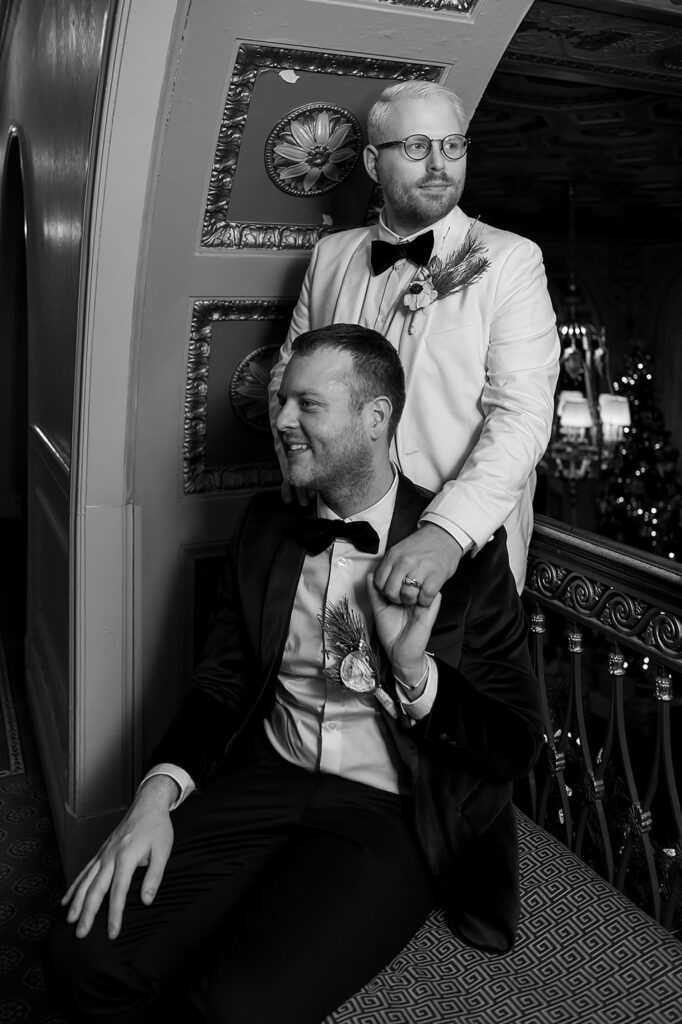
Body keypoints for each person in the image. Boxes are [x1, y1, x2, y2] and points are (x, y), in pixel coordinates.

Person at [46, 324, 543, 1024]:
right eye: (282, 403)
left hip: (391, 809)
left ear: (376, 419)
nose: (279, 421)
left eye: (307, 405)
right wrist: (153, 800)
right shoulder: (265, 525)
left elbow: (517, 743)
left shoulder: (465, 553)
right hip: (265, 771)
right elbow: (220, 684)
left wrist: (416, 674)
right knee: (81, 959)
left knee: (235, 1010)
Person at [268, 80, 560, 599]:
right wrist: (296, 456)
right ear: (372, 163)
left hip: (458, 553)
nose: (439, 165)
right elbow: (289, 372)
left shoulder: (512, 260)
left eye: (452, 146)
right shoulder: (330, 257)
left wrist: (447, 533)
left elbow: (522, 416)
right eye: (416, 147)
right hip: (332, 536)